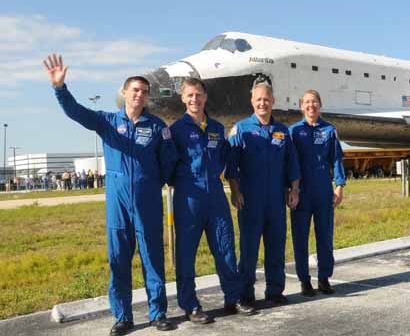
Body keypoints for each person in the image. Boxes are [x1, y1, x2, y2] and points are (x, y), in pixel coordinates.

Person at [44, 54, 177, 335]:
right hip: (118, 204)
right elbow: (76, 112)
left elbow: (169, 161)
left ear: (148, 96)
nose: (139, 95)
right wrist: (60, 89)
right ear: (124, 93)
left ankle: (158, 313)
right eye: (134, 90)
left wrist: (151, 184)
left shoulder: (157, 127)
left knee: (152, 259)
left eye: (144, 91)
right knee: (118, 261)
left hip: (148, 203)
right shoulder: (106, 121)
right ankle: (123, 317)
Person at [169, 78, 256, 323]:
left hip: (216, 195)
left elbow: (230, 160)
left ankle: (233, 298)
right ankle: (190, 305)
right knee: (186, 254)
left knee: (225, 248)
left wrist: (236, 188)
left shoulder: (217, 128)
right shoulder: (176, 130)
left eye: (198, 95)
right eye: (190, 95)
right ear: (183, 98)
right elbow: (168, 164)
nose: (194, 99)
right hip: (189, 197)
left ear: (205, 97)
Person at [226, 80, 300, 306]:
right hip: (250, 200)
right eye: (258, 99)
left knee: (276, 247)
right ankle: (245, 295)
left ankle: (274, 291)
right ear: (252, 101)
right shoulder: (241, 129)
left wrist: (295, 189)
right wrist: (235, 191)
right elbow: (232, 166)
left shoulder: (282, 132)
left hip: (276, 200)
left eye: (266, 99)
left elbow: (292, 164)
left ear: (273, 101)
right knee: (249, 250)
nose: (262, 103)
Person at [289, 90, 346, 296]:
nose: (311, 106)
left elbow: (337, 159)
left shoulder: (329, 130)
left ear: (320, 105)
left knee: (325, 237)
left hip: (323, 192)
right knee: (300, 238)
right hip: (301, 194)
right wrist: (291, 189)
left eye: (314, 102)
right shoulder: (293, 132)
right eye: (307, 102)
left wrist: (339, 186)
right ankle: (305, 280)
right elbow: (289, 163)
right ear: (301, 106)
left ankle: (324, 278)